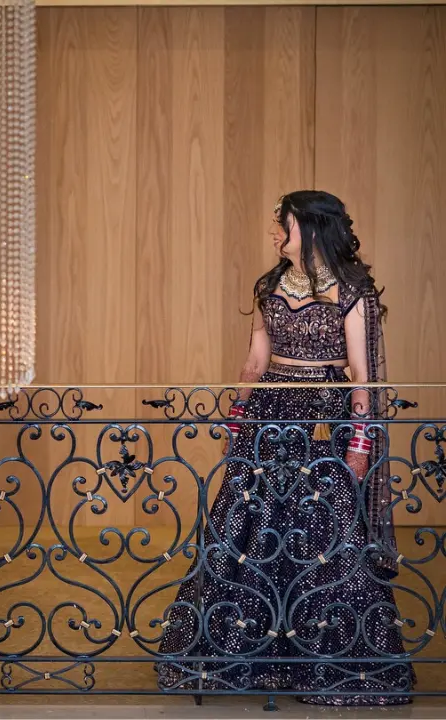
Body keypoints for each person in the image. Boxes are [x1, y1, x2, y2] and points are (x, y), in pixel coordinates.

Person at [155, 190, 413, 705]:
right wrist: (236, 422)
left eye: (284, 225)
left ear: (313, 230)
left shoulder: (351, 290)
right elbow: (254, 361)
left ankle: (325, 660)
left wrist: (360, 442)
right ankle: (247, 655)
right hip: (270, 414)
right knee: (251, 523)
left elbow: (361, 374)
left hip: (323, 417)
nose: (276, 233)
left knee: (321, 529)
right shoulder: (269, 285)